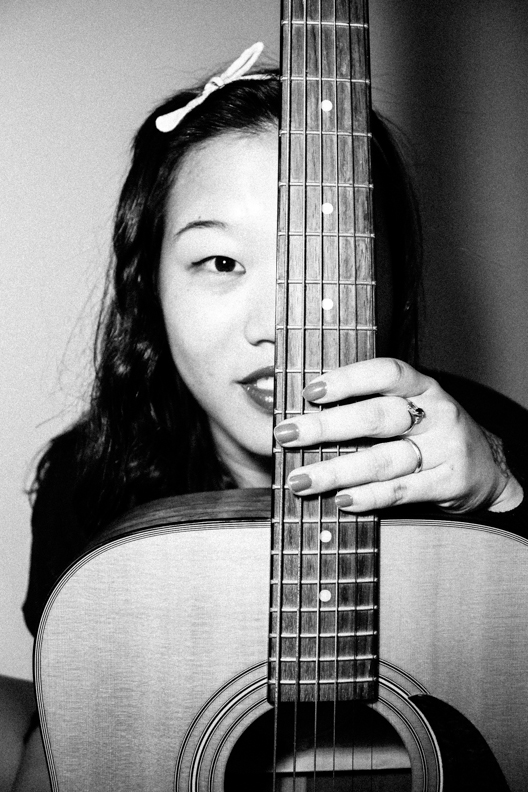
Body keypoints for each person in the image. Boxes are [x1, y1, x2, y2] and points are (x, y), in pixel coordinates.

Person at [12, 44, 528, 790]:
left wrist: (505, 496)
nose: (281, 328)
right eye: (221, 263)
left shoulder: (492, 446)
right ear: (148, 284)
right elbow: (76, 738)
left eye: (329, 264)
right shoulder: (89, 485)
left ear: (390, 280)